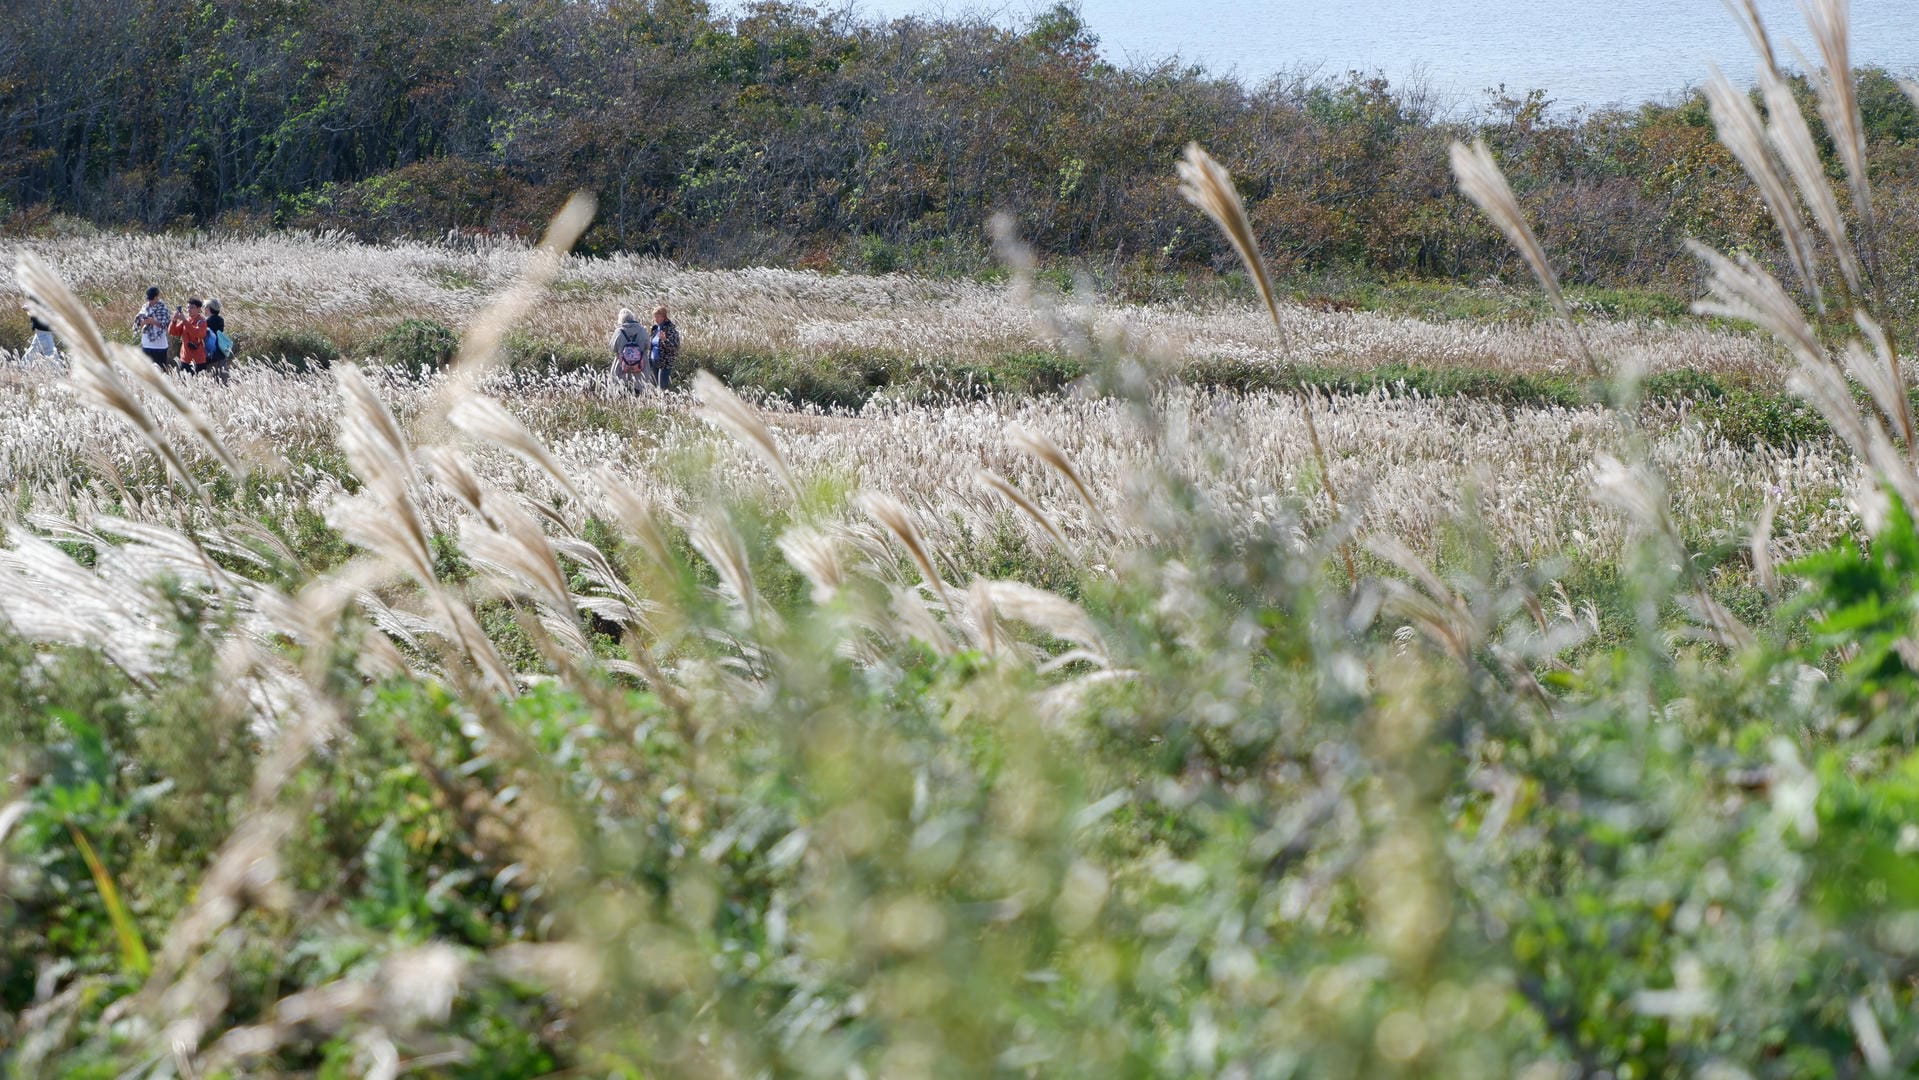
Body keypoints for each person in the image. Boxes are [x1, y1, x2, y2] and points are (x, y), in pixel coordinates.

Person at [608, 307, 651, 395]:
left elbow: (612, 347)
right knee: (640, 390)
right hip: (640, 366)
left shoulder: (618, 331)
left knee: (619, 388)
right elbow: (648, 345)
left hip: (622, 365)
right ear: (632, 318)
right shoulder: (642, 330)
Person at [134, 286, 171, 371]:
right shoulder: (145, 307)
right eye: (148, 299)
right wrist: (143, 322)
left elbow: (166, 326)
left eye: (151, 299)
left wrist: (153, 322)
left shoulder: (163, 309)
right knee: (146, 371)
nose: (149, 301)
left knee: (161, 371)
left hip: (159, 346)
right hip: (146, 343)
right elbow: (139, 323)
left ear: (156, 297)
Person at [169, 297, 210, 374]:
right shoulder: (187, 320)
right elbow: (173, 332)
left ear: (198, 309)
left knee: (200, 383)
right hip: (185, 358)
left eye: (192, 308)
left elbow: (198, 333)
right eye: (188, 307)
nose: (189, 310)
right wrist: (174, 321)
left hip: (198, 360)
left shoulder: (202, 321)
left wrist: (184, 321)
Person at [648, 305, 680, 391]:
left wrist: (665, 340)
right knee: (656, 387)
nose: (655, 319)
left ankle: (665, 402)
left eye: (658, 316)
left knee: (662, 388)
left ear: (663, 316)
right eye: (654, 316)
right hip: (654, 362)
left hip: (664, 363)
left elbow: (675, 346)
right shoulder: (655, 329)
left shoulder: (670, 329)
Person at [203, 298, 231, 384]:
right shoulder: (220, 320)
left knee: (211, 380)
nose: (203, 308)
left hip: (210, 352)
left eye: (204, 306)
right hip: (221, 351)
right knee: (223, 379)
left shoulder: (206, 321)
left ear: (208, 308)